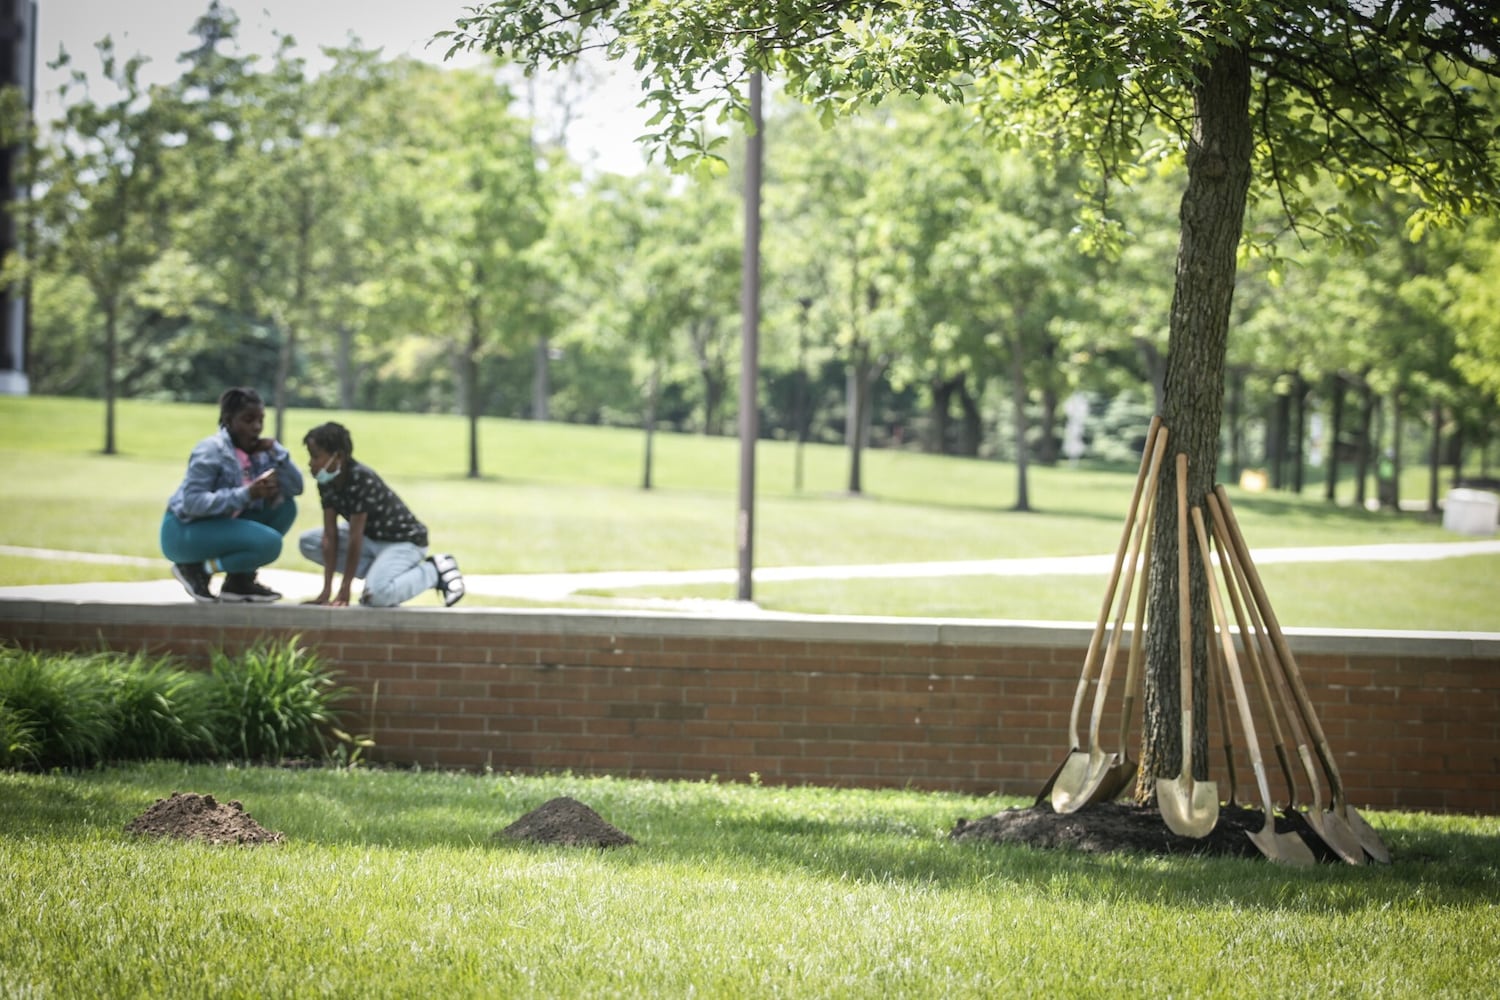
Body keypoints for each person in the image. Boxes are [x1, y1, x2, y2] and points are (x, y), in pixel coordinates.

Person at [298, 421, 465, 608]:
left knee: (376, 597)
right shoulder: (326, 482)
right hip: (371, 540)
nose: (310, 463)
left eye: (315, 457)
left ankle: (434, 570)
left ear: (338, 457)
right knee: (309, 542)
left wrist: (345, 590)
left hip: (402, 541)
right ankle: (380, 574)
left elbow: (355, 538)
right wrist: (326, 592)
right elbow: (330, 536)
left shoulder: (360, 479)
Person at [161, 387, 304, 603]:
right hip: (184, 531)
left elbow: (296, 487)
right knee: (270, 544)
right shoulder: (212, 450)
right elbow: (192, 503)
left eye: (260, 420)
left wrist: (278, 451)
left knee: (285, 507)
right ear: (229, 420)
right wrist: (247, 493)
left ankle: (238, 582)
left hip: (220, 525)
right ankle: (196, 569)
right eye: (248, 420)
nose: (256, 427)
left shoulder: (259, 453)